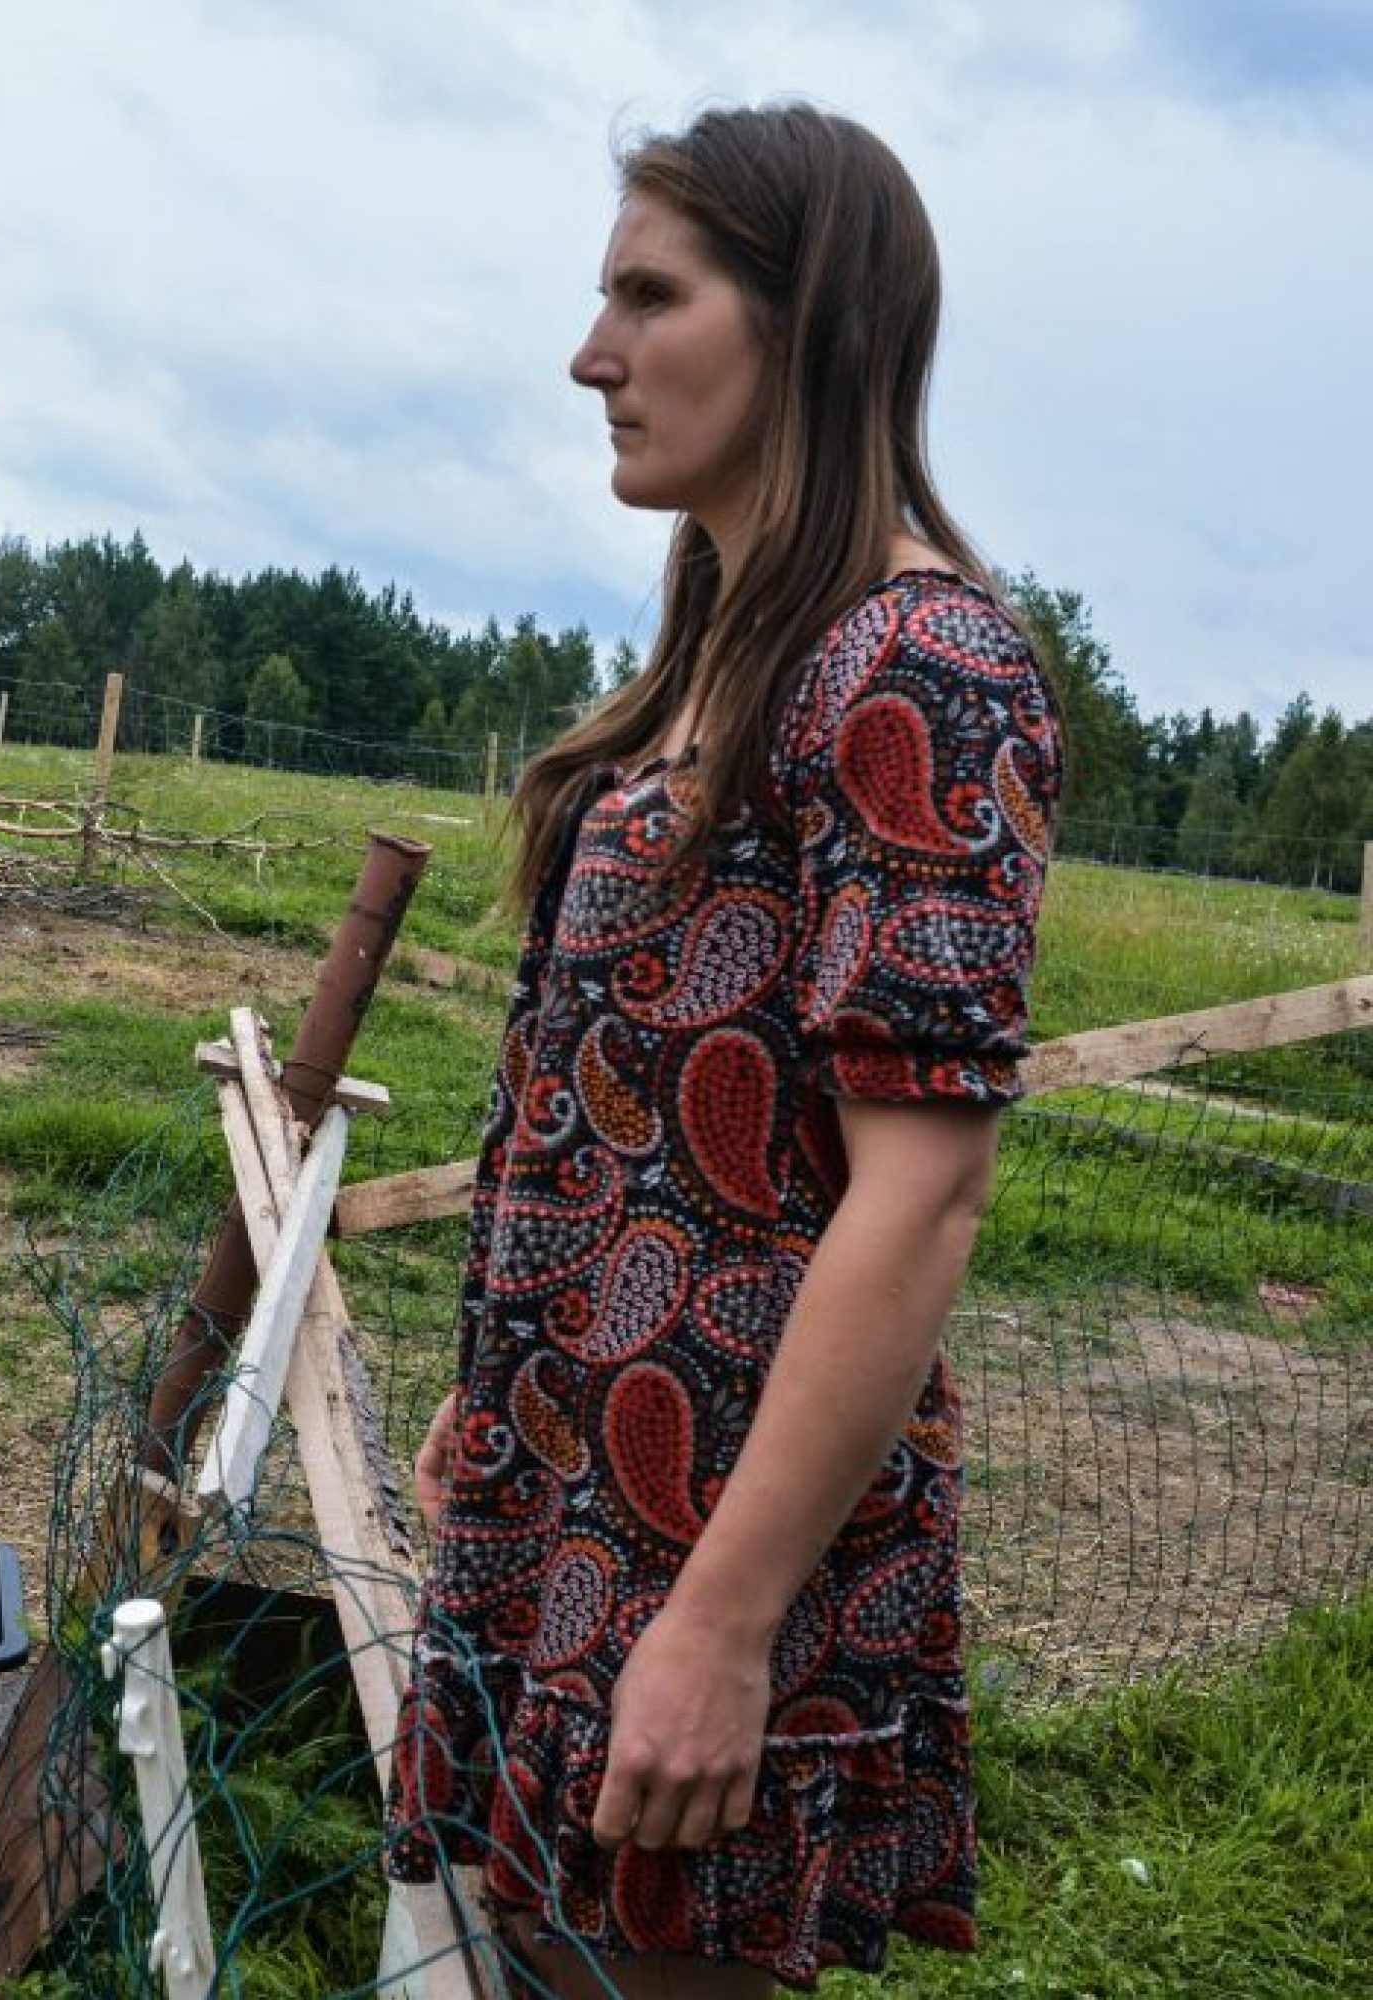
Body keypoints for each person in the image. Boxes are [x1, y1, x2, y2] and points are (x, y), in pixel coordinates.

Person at [384, 103, 1060, 1998]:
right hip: (573, 1488)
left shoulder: (918, 667)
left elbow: (921, 1195)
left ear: (810, 321)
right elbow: (637, 1125)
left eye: (647, 298)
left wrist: (726, 1621)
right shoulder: (719, 652)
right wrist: (504, 1388)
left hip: (709, 1545)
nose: (591, 355)